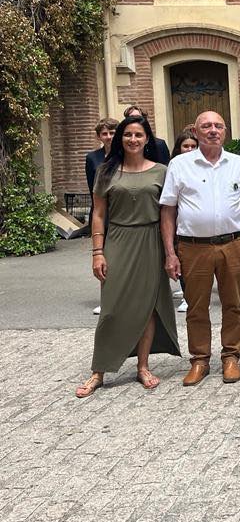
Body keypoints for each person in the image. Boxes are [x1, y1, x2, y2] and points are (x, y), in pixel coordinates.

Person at [75, 116, 181, 398]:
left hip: (151, 241)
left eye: (139, 135)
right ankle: (99, 370)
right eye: (128, 135)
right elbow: (97, 214)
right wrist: (97, 252)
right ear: (120, 138)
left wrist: (171, 251)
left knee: (148, 306)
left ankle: (143, 367)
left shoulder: (161, 171)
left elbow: (169, 212)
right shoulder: (106, 171)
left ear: (147, 139)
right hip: (118, 240)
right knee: (111, 306)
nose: (133, 139)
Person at [159, 111, 240, 386]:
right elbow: (168, 210)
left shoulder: (239, 165)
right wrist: (170, 253)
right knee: (196, 306)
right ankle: (200, 359)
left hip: (232, 244)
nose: (212, 130)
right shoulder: (180, 165)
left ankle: (231, 356)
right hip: (193, 248)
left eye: (218, 126)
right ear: (196, 131)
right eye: (206, 126)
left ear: (225, 131)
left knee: (233, 304)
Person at [85, 117, 118, 316]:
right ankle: (106, 299)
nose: (108, 137)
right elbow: (92, 188)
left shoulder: (124, 156)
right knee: (103, 257)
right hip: (102, 211)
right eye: (104, 133)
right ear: (99, 136)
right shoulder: (92, 158)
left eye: (112, 133)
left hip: (122, 212)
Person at [169, 129, 200, 314]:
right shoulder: (174, 166)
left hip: (200, 228)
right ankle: (187, 296)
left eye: (193, 146)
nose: (189, 149)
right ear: (178, 148)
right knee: (183, 262)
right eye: (185, 146)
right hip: (180, 224)